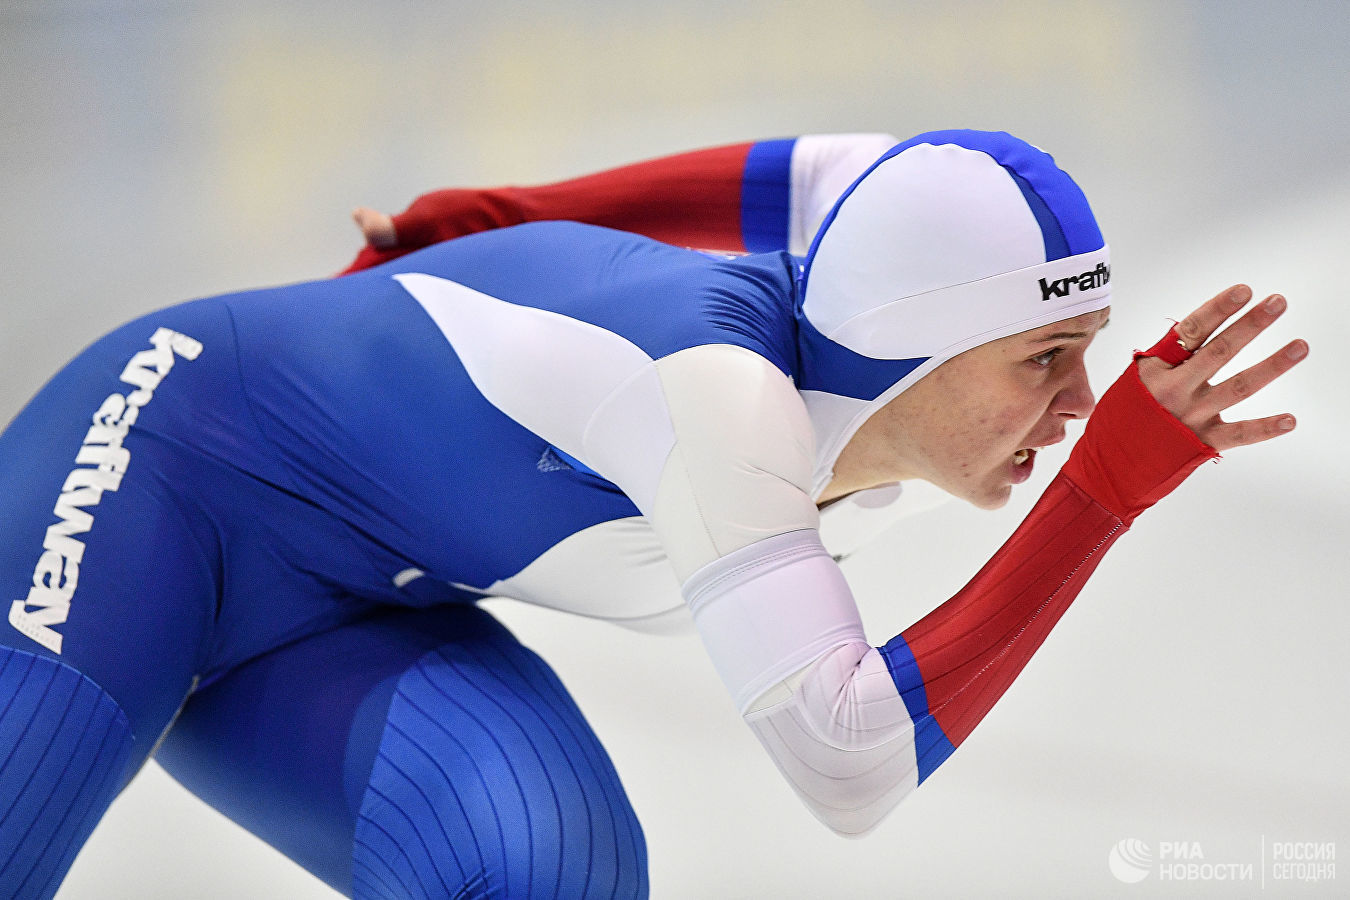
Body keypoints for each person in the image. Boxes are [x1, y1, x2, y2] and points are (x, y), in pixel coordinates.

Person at [0, 130, 1305, 900]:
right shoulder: (715, 397)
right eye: (1045, 360)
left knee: (548, 872)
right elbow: (848, 763)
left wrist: (519, 212)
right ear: (916, 345)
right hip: (153, 476)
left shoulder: (898, 242)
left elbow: (814, 171)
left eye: (1087, 353)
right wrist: (1099, 495)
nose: (1080, 402)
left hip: (349, 605)